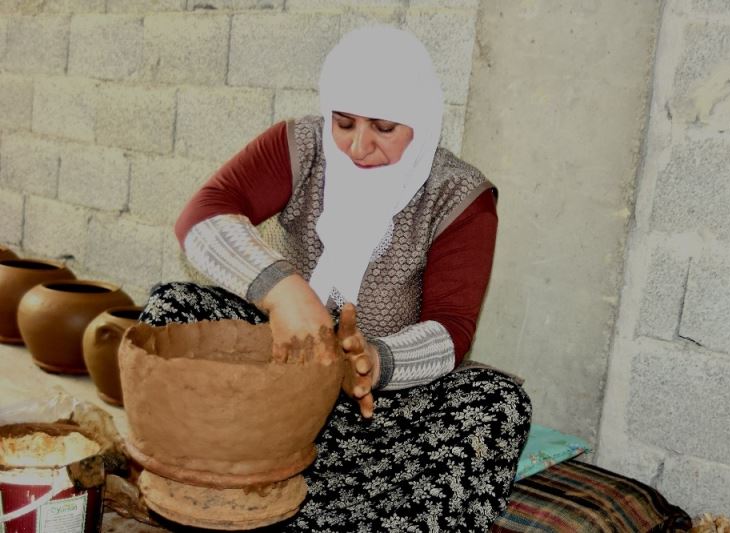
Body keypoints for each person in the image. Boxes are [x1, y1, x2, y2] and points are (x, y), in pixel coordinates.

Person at [140, 25, 532, 532]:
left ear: (421, 121)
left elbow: (452, 328)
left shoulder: (457, 196)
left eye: (384, 128)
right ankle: (216, 484)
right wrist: (283, 291)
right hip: (273, 379)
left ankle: (327, 513)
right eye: (344, 122)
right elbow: (203, 214)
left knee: (495, 401)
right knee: (176, 308)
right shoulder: (302, 145)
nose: (357, 146)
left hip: (375, 410)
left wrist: (374, 361)